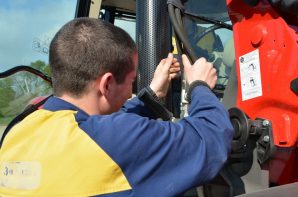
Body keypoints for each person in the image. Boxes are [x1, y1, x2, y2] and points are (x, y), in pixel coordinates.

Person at [0, 17, 233, 196]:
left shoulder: (18, 129)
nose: (132, 88)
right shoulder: (111, 141)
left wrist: (151, 96)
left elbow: (97, 132)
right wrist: (199, 86)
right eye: (132, 81)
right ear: (107, 84)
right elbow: (210, 138)